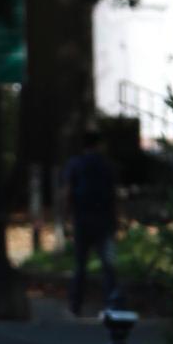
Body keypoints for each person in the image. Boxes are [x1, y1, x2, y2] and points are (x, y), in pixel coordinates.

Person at [62, 133, 120, 313]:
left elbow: (68, 192)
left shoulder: (75, 164)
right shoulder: (106, 165)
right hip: (104, 219)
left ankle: (76, 303)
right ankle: (112, 302)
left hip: (82, 219)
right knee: (108, 264)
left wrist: (66, 217)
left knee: (80, 264)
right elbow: (114, 193)